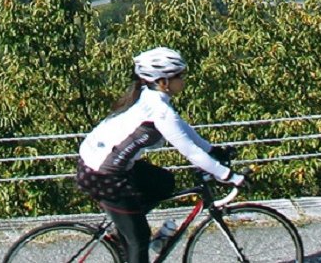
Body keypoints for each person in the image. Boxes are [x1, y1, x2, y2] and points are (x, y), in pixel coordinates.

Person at [76, 47, 245, 263]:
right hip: (102, 174)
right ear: (163, 81)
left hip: (105, 163)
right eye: (179, 76)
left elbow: (184, 130)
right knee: (139, 240)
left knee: (164, 182)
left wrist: (211, 150)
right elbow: (190, 152)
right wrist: (230, 176)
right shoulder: (159, 111)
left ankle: (125, 227)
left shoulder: (152, 97)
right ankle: (129, 231)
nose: (183, 80)